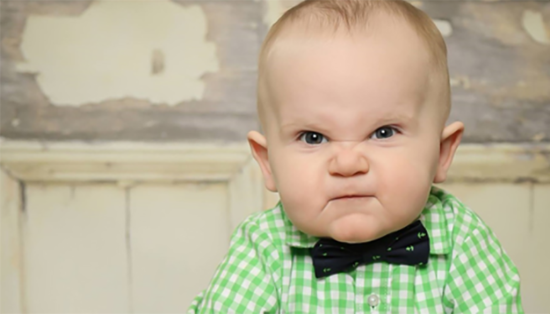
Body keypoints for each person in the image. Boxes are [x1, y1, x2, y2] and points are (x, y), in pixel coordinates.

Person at [188, 0, 523, 312]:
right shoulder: (264, 247)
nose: (347, 164)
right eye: (313, 137)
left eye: (383, 132)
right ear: (268, 162)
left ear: (441, 153)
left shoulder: (463, 240)